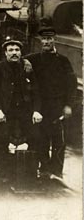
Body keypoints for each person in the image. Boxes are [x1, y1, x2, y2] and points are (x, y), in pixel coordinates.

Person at [25, 20, 77, 178]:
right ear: (41, 41)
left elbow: (71, 84)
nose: (47, 42)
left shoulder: (63, 61)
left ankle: (57, 171)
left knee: (58, 141)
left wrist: (68, 105)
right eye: (44, 39)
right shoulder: (33, 59)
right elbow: (17, 61)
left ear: (55, 40)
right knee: (41, 138)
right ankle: (45, 169)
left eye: (50, 39)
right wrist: (25, 64)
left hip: (57, 106)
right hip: (40, 106)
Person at [0, 37, 42, 157]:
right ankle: (3, 170)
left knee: (35, 137)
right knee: (1, 139)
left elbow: (36, 91)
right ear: (5, 53)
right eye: (10, 50)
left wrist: (37, 111)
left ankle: (29, 170)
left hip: (25, 110)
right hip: (6, 110)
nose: (14, 53)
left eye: (17, 50)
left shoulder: (27, 67)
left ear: (21, 53)